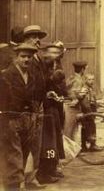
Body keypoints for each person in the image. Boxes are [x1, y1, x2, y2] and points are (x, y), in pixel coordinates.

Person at [0, 43, 38, 191]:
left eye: (29, 57)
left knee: (24, 150)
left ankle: (18, 183)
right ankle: (13, 186)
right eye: (23, 56)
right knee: (13, 153)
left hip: (27, 120)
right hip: (10, 119)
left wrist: (33, 114)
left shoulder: (31, 76)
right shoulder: (6, 75)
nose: (26, 60)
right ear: (16, 58)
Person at [37, 44, 66, 184]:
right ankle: (44, 172)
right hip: (47, 109)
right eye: (53, 52)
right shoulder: (43, 67)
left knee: (55, 141)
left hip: (55, 108)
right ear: (46, 53)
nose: (56, 54)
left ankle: (52, 168)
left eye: (58, 52)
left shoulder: (55, 65)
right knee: (48, 143)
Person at [23, 24, 48, 187]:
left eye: (38, 36)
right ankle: (21, 179)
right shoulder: (24, 58)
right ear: (26, 39)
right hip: (28, 106)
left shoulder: (38, 58)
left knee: (36, 142)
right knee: (25, 142)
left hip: (39, 104)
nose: (37, 40)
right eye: (33, 36)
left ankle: (32, 178)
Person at [64, 61, 88, 139]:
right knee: (70, 130)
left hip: (70, 106)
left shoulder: (72, 77)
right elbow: (74, 94)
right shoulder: (78, 80)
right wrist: (82, 93)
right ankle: (68, 150)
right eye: (84, 69)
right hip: (72, 107)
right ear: (82, 70)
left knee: (71, 129)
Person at [79, 74, 103, 153]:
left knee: (89, 127)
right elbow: (84, 102)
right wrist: (89, 112)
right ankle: (88, 145)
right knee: (88, 127)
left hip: (91, 109)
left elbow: (93, 100)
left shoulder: (91, 88)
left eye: (92, 79)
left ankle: (88, 145)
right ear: (85, 80)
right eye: (89, 79)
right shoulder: (84, 89)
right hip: (87, 110)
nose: (91, 81)